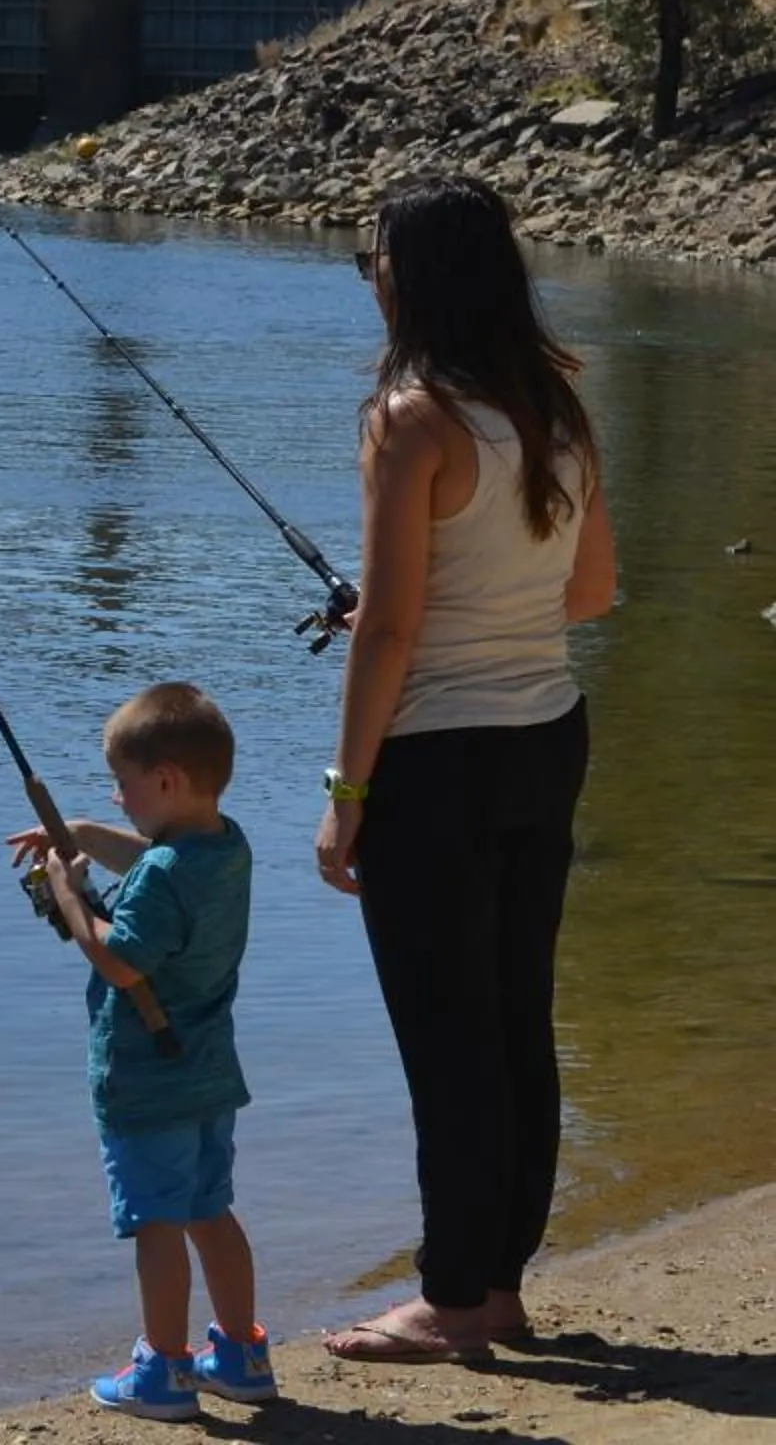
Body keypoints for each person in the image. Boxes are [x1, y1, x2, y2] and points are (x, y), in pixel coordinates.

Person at [316, 174, 619, 1364]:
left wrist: (346, 799)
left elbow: (390, 630)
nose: (371, 273)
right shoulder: (556, 407)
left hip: (436, 760)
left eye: (374, 255)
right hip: (549, 734)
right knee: (514, 1018)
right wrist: (468, 613)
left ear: (418, 275)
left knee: (447, 1035)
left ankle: (449, 1301)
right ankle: (496, 1284)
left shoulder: (410, 417)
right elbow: (586, 591)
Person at [10, 681, 273, 1420]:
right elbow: (159, 865)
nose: (120, 800)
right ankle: (242, 1355)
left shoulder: (164, 873)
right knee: (210, 1210)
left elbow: (121, 960)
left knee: (155, 1223)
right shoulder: (226, 848)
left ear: (166, 780)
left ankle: (164, 1370)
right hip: (210, 1073)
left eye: (123, 787)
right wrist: (85, 833)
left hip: (148, 1077)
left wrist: (67, 889)